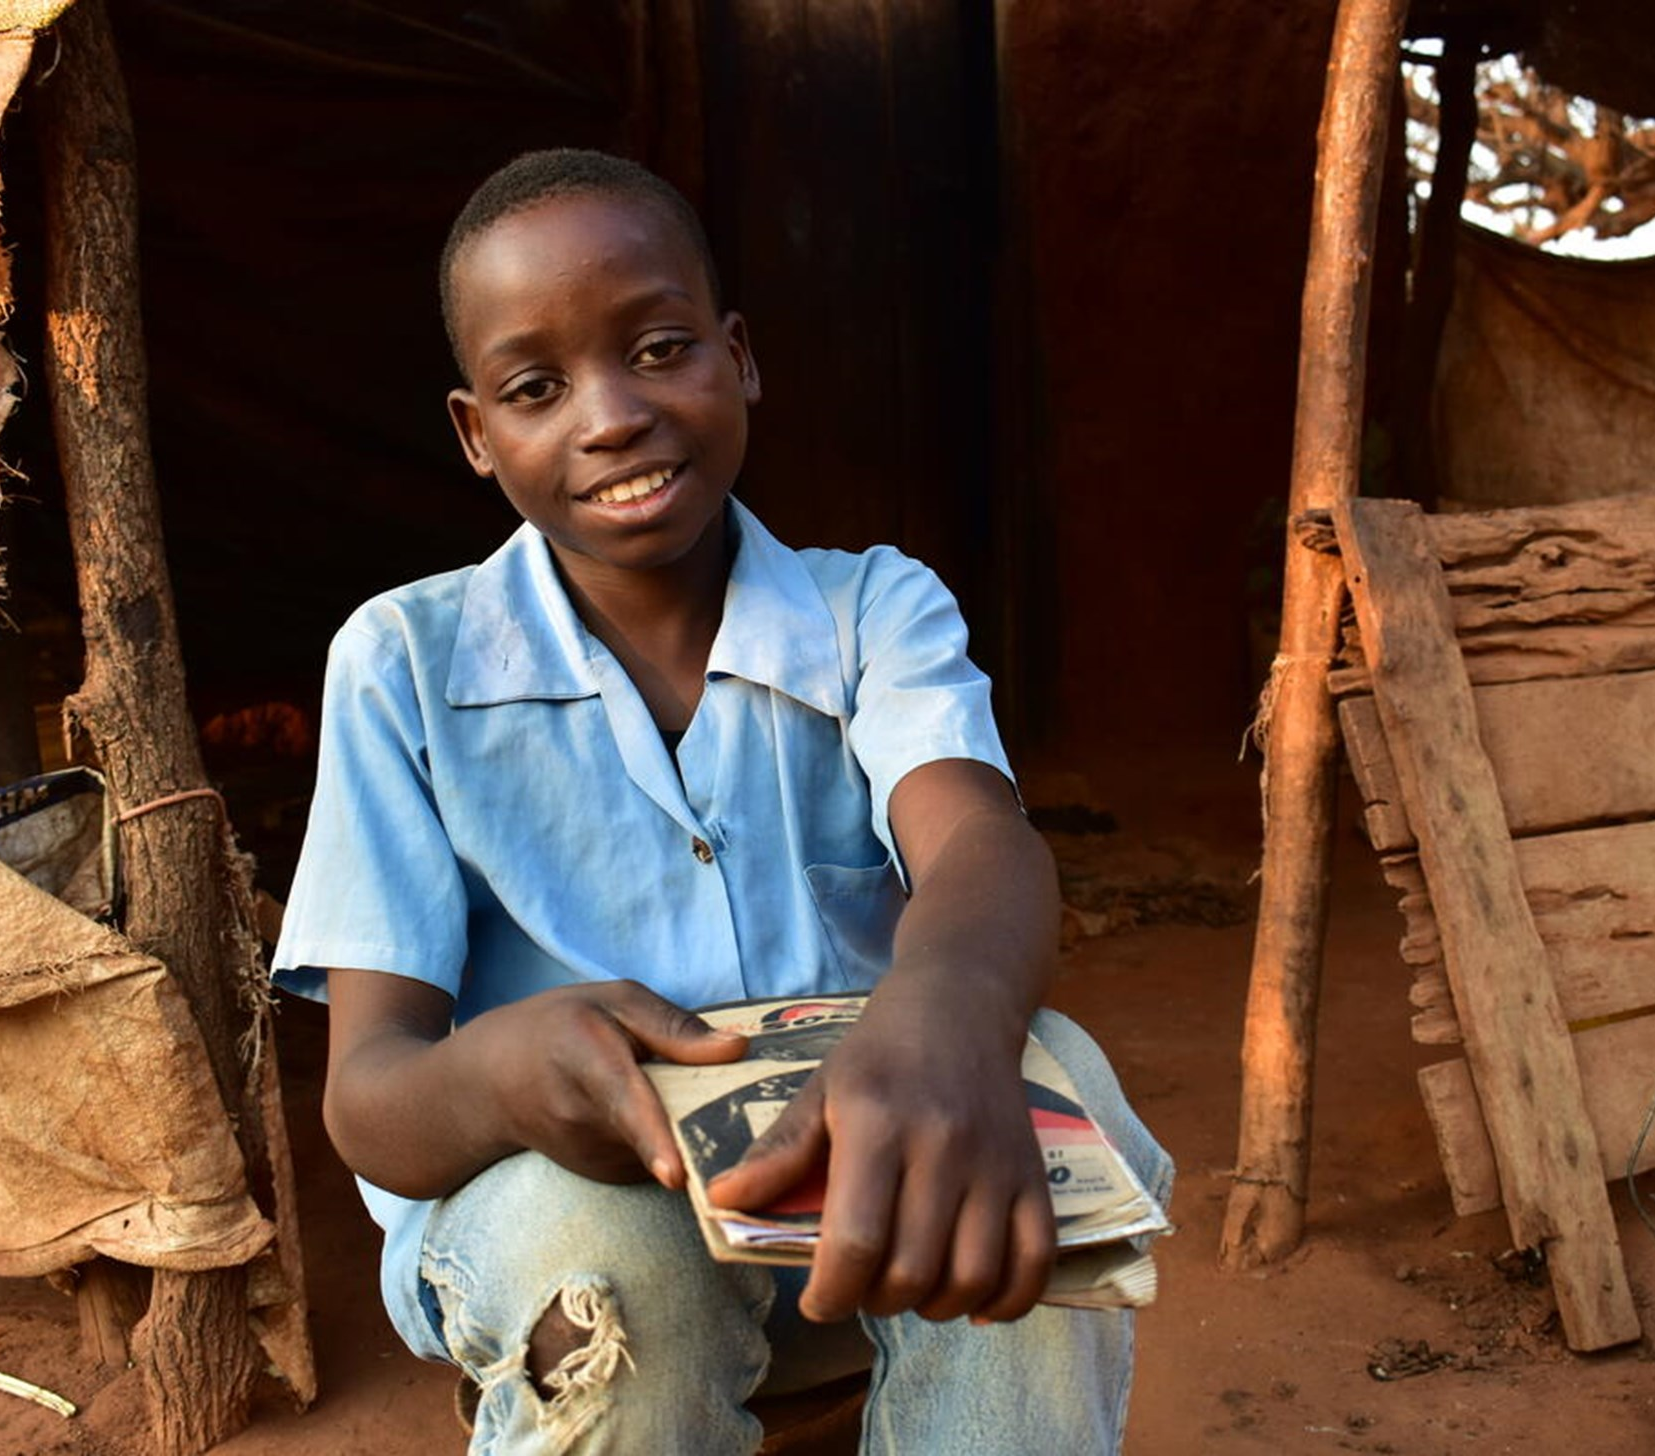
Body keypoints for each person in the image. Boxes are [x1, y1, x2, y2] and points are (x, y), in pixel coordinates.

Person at [271, 147, 1173, 1454]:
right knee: (618, 1270)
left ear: (739, 356)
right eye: (537, 386)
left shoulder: (874, 612)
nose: (612, 415)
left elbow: (980, 843)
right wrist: (501, 1079)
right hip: (559, 1230)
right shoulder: (405, 667)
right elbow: (371, 1099)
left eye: (658, 348)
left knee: (1033, 1109)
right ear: (478, 433)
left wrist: (942, 1016)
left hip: (857, 1208)